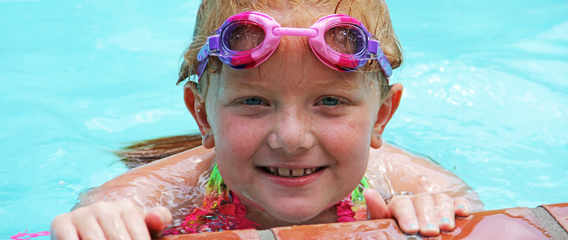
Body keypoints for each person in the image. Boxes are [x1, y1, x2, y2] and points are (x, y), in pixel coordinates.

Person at [50, 0, 483, 239]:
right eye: (254, 101)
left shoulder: (407, 182)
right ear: (202, 114)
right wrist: (98, 223)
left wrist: (435, 215)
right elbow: (101, 210)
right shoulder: (164, 194)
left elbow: (472, 214)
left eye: (330, 101)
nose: (290, 139)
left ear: (381, 117)